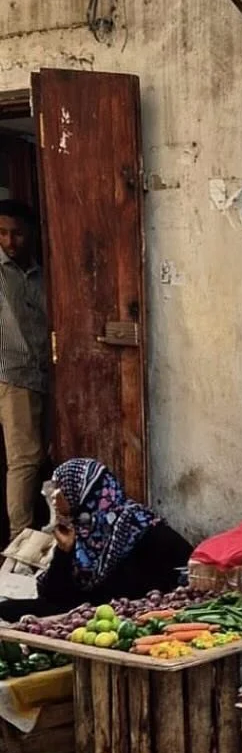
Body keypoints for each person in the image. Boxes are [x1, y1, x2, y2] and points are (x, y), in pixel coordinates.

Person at [0, 458, 192, 620]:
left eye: (59, 491)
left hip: (133, 613)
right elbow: (54, 595)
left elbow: (189, 568)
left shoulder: (140, 526)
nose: (53, 499)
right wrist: (64, 552)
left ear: (82, 491)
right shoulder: (81, 530)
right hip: (90, 610)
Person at [0, 200, 49, 538]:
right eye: (2, 233)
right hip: (12, 374)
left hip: (43, 374)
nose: (9, 241)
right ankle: (20, 539)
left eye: (16, 233)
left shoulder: (39, 273)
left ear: (31, 233)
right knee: (24, 460)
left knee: (39, 456)